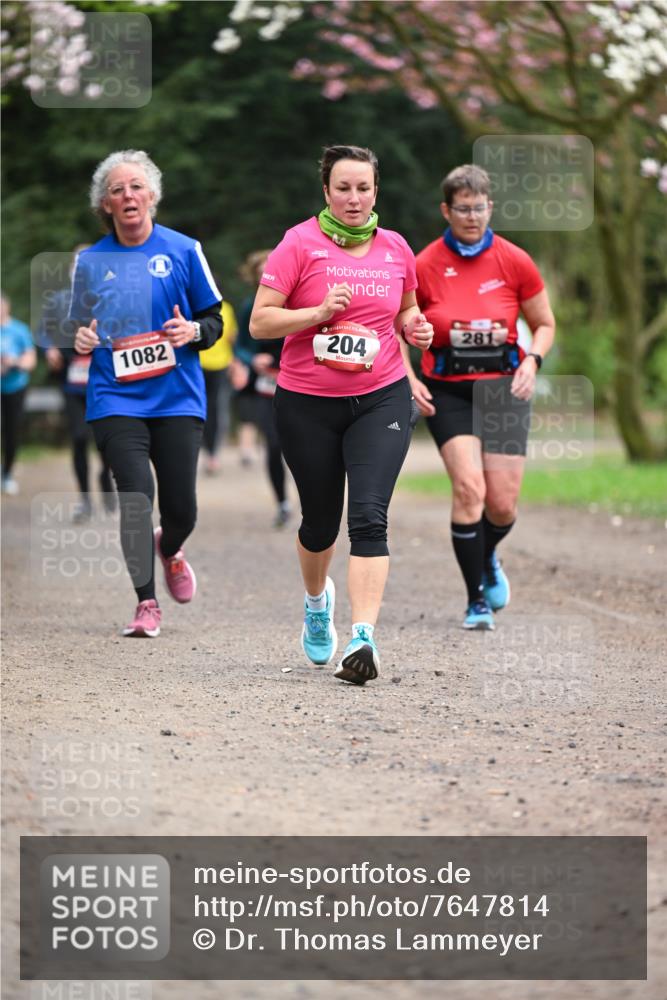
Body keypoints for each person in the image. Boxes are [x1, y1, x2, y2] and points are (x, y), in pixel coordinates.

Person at [250, 144, 433, 684]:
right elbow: (261, 323)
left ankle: (364, 638)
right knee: (320, 522)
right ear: (326, 191)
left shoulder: (397, 248)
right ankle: (315, 602)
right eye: (343, 188)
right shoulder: (298, 243)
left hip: (382, 397)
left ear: (377, 191)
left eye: (364, 188)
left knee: (370, 516)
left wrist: (416, 329)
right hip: (307, 402)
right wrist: (318, 313)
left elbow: (407, 312)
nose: (354, 198)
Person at [70, 149, 223, 637]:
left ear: (152, 195)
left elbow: (214, 322)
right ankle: (146, 603)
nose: (128, 195)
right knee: (135, 497)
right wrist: (81, 337)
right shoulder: (91, 261)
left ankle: (171, 547)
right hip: (115, 396)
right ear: (106, 205)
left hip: (176, 397)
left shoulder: (183, 250)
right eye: (117, 190)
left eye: (135, 186)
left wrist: (191, 333)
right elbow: (77, 323)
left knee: (182, 508)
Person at [408, 164, 556, 630]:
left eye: (479, 208)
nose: (472, 217)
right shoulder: (424, 264)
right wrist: (408, 378)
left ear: (490, 207)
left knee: (502, 504)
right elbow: (395, 325)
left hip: (504, 389)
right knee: (470, 489)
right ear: (446, 210)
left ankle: (488, 553)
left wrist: (533, 360)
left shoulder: (514, 260)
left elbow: (545, 324)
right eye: (462, 209)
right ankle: (475, 599)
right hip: (448, 391)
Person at [39, 245, 115, 522]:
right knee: (79, 437)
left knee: (106, 441)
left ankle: (105, 476)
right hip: (71, 382)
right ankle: (84, 499)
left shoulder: (110, 297)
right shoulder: (58, 300)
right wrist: (48, 349)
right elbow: (43, 330)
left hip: (104, 380)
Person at [234, 249, 291, 528]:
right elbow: (242, 346)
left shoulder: (297, 300)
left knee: (304, 447)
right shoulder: (250, 306)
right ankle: (282, 502)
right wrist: (251, 359)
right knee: (274, 443)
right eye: (262, 273)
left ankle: (315, 501)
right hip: (267, 384)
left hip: (299, 382)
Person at [1, 293, 36, 495]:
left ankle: (7, 473)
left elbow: (30, 361)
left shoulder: (19, 330)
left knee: (11, 432)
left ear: (7, 307)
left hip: (15, 387)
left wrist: (13, 363)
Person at [199, 299, 238, 474]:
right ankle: (212, 456)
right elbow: (232, 337)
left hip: (199, 364)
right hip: (220, 365)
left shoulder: (195, 304)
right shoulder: (227, 308)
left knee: (201, 409)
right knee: (216, 409)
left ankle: (206, 452)